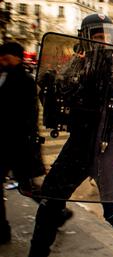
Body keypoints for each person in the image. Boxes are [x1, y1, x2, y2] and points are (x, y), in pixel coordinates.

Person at [7, 13, 113, 257]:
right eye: (98, 36)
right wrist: (51, 85)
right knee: (50, 203)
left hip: (107, 148)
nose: (104, 42)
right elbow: (60, 99)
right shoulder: (76, 66)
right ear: (86, 38)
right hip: (78, 146)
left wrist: (112, 85)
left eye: (107, 37)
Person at [0, 42, 73, 245]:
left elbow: (29, 116)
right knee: (26, 185)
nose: (2, 61)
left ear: (15, 57)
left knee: (27, 185)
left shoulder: (23, 80)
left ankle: (57, 212)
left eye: (5, 57)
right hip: (8, 143)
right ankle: (57, 213)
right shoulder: (8, 76)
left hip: (16, 143)